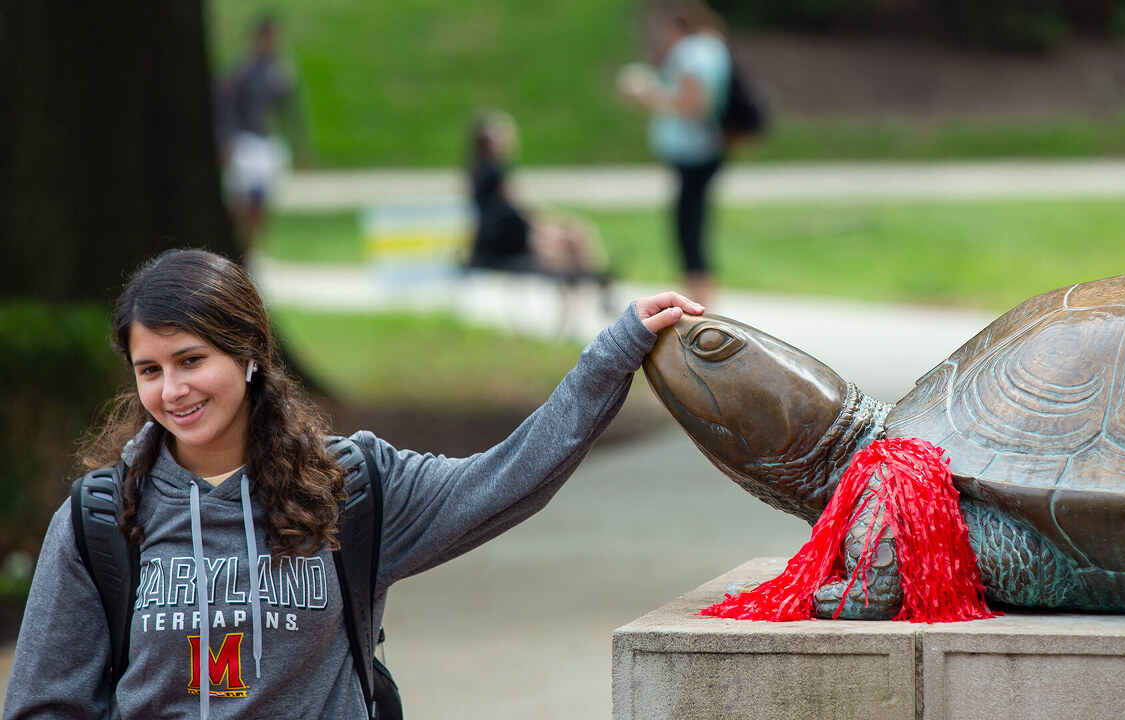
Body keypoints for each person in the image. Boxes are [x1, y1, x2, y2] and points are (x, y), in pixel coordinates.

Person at [2, 248, 701, 718]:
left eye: (191, 359)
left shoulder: (347, 488)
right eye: (149, 369)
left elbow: (510, 479)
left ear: (247, 354)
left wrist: (609, 358)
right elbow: (43, 704)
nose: (173, 390)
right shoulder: (101, 519)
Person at [618, 0, 731, 306]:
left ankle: (699, 307)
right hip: (707, 149)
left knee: (688, 228)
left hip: (695, 152)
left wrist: (648, 95)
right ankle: (702, 301)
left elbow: (693, 104)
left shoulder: (690, 52)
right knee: (693, 224)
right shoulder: (712, 46)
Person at [466, 110, 613, 327]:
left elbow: (517, 210)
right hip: (507, 242)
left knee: (571, 235)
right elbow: (520, 211)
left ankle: (592, 288)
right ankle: (597, 285)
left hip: (499, 238)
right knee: (570, 239)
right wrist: (548, 224)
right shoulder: (496, 173)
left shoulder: (479, 170)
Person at [217, 15, 302, 252]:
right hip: (243, 140)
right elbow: (226, 106)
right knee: (242, 197)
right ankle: (244, 242)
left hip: (265, 141)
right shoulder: (240, 70)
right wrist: (227, 139)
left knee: (263, 197)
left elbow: (289, 109)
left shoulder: (276, 71)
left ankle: (254, 243)